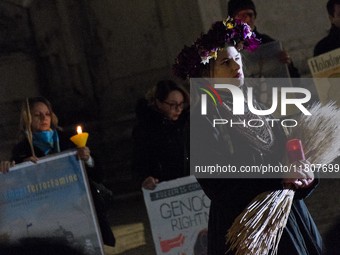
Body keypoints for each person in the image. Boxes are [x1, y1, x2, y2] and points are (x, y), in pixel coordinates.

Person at [173, 18, 323, 254]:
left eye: (237, 59)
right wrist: (279, 177)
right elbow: (218, 184)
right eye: (225, 62)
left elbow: (286, 160)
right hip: (244, 227)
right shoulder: (202, 120)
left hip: (289, 221)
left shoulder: (259, 107)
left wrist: (304, 179)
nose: (236, 67)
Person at [0, 97, 115, 247]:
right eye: (37, 115)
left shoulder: (68, 140)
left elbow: (98, 175)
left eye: (47, 114)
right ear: (27, 118)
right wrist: (12, 169)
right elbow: (19, 188)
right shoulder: (21, 150)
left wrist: (87, 159)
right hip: (48, 215)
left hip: (80, 211)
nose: (44, 118)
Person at [132, 80, 190, 190]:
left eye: (181, 104)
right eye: (173, 105)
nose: (178, 109)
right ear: (159, 103)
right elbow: (139, 163)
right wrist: (145, 179)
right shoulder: (145, 130)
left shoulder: (188, 123)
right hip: (166, 188)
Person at [227, 0, 300, 78]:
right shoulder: (225, 47)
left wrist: (288, 65)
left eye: (250, 15)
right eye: (243, 16)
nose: (248, 20)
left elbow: (294, 80)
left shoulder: (267, 44)